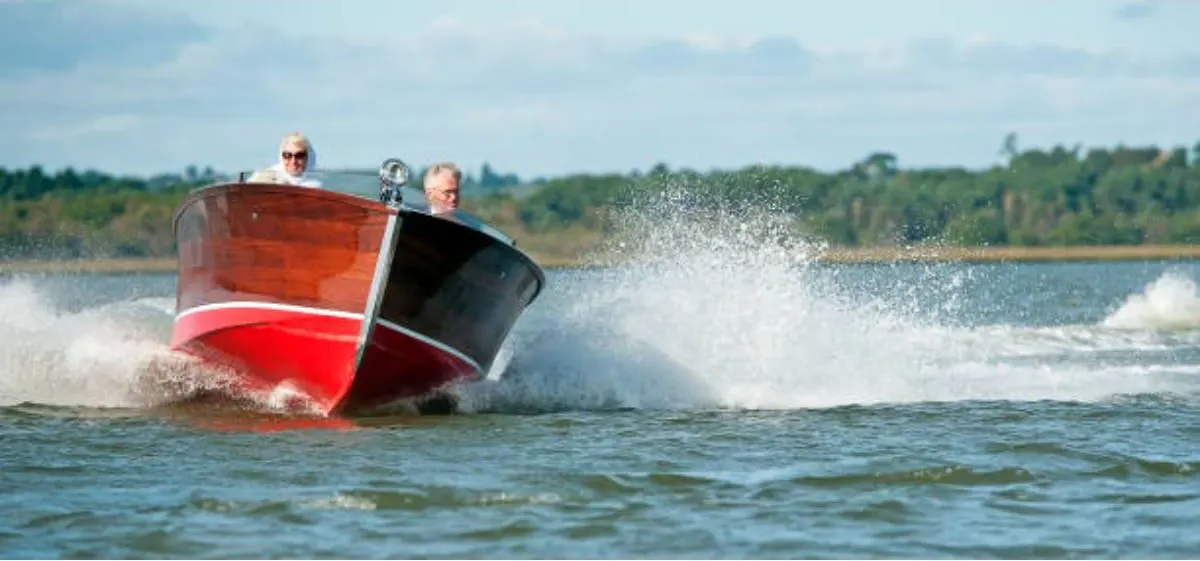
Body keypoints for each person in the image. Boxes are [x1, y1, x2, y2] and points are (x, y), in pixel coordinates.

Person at [247, 132, 323, 188]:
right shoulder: (265, 178)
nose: (293, 161)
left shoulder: (315, 187)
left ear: (308, 158)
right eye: (287, 155)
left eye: (299, 156)